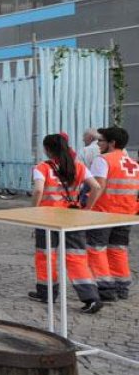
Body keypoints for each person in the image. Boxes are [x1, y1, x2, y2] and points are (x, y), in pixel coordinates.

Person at [30, 133, 103, 313]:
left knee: (46, 256)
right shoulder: (78, 166)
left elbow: (38, 190)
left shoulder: (42, 167)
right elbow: (96, 187)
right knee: (77, 257)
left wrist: (32, 211)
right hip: (72, 217)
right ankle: (91, 297)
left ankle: (47, 293)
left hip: (47, 218)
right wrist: (87, 210)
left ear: (47, 149)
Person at [85, 126, 139, 301]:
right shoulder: (132, 163)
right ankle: (122, 286)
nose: (97, 143)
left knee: (96, 249)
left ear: (112, 143)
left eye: (100, 140)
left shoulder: (103, 160)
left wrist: (87, 210)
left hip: (104, 213)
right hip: (126, 213)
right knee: (118, 250)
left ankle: (105, 288)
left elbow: (97, 187)